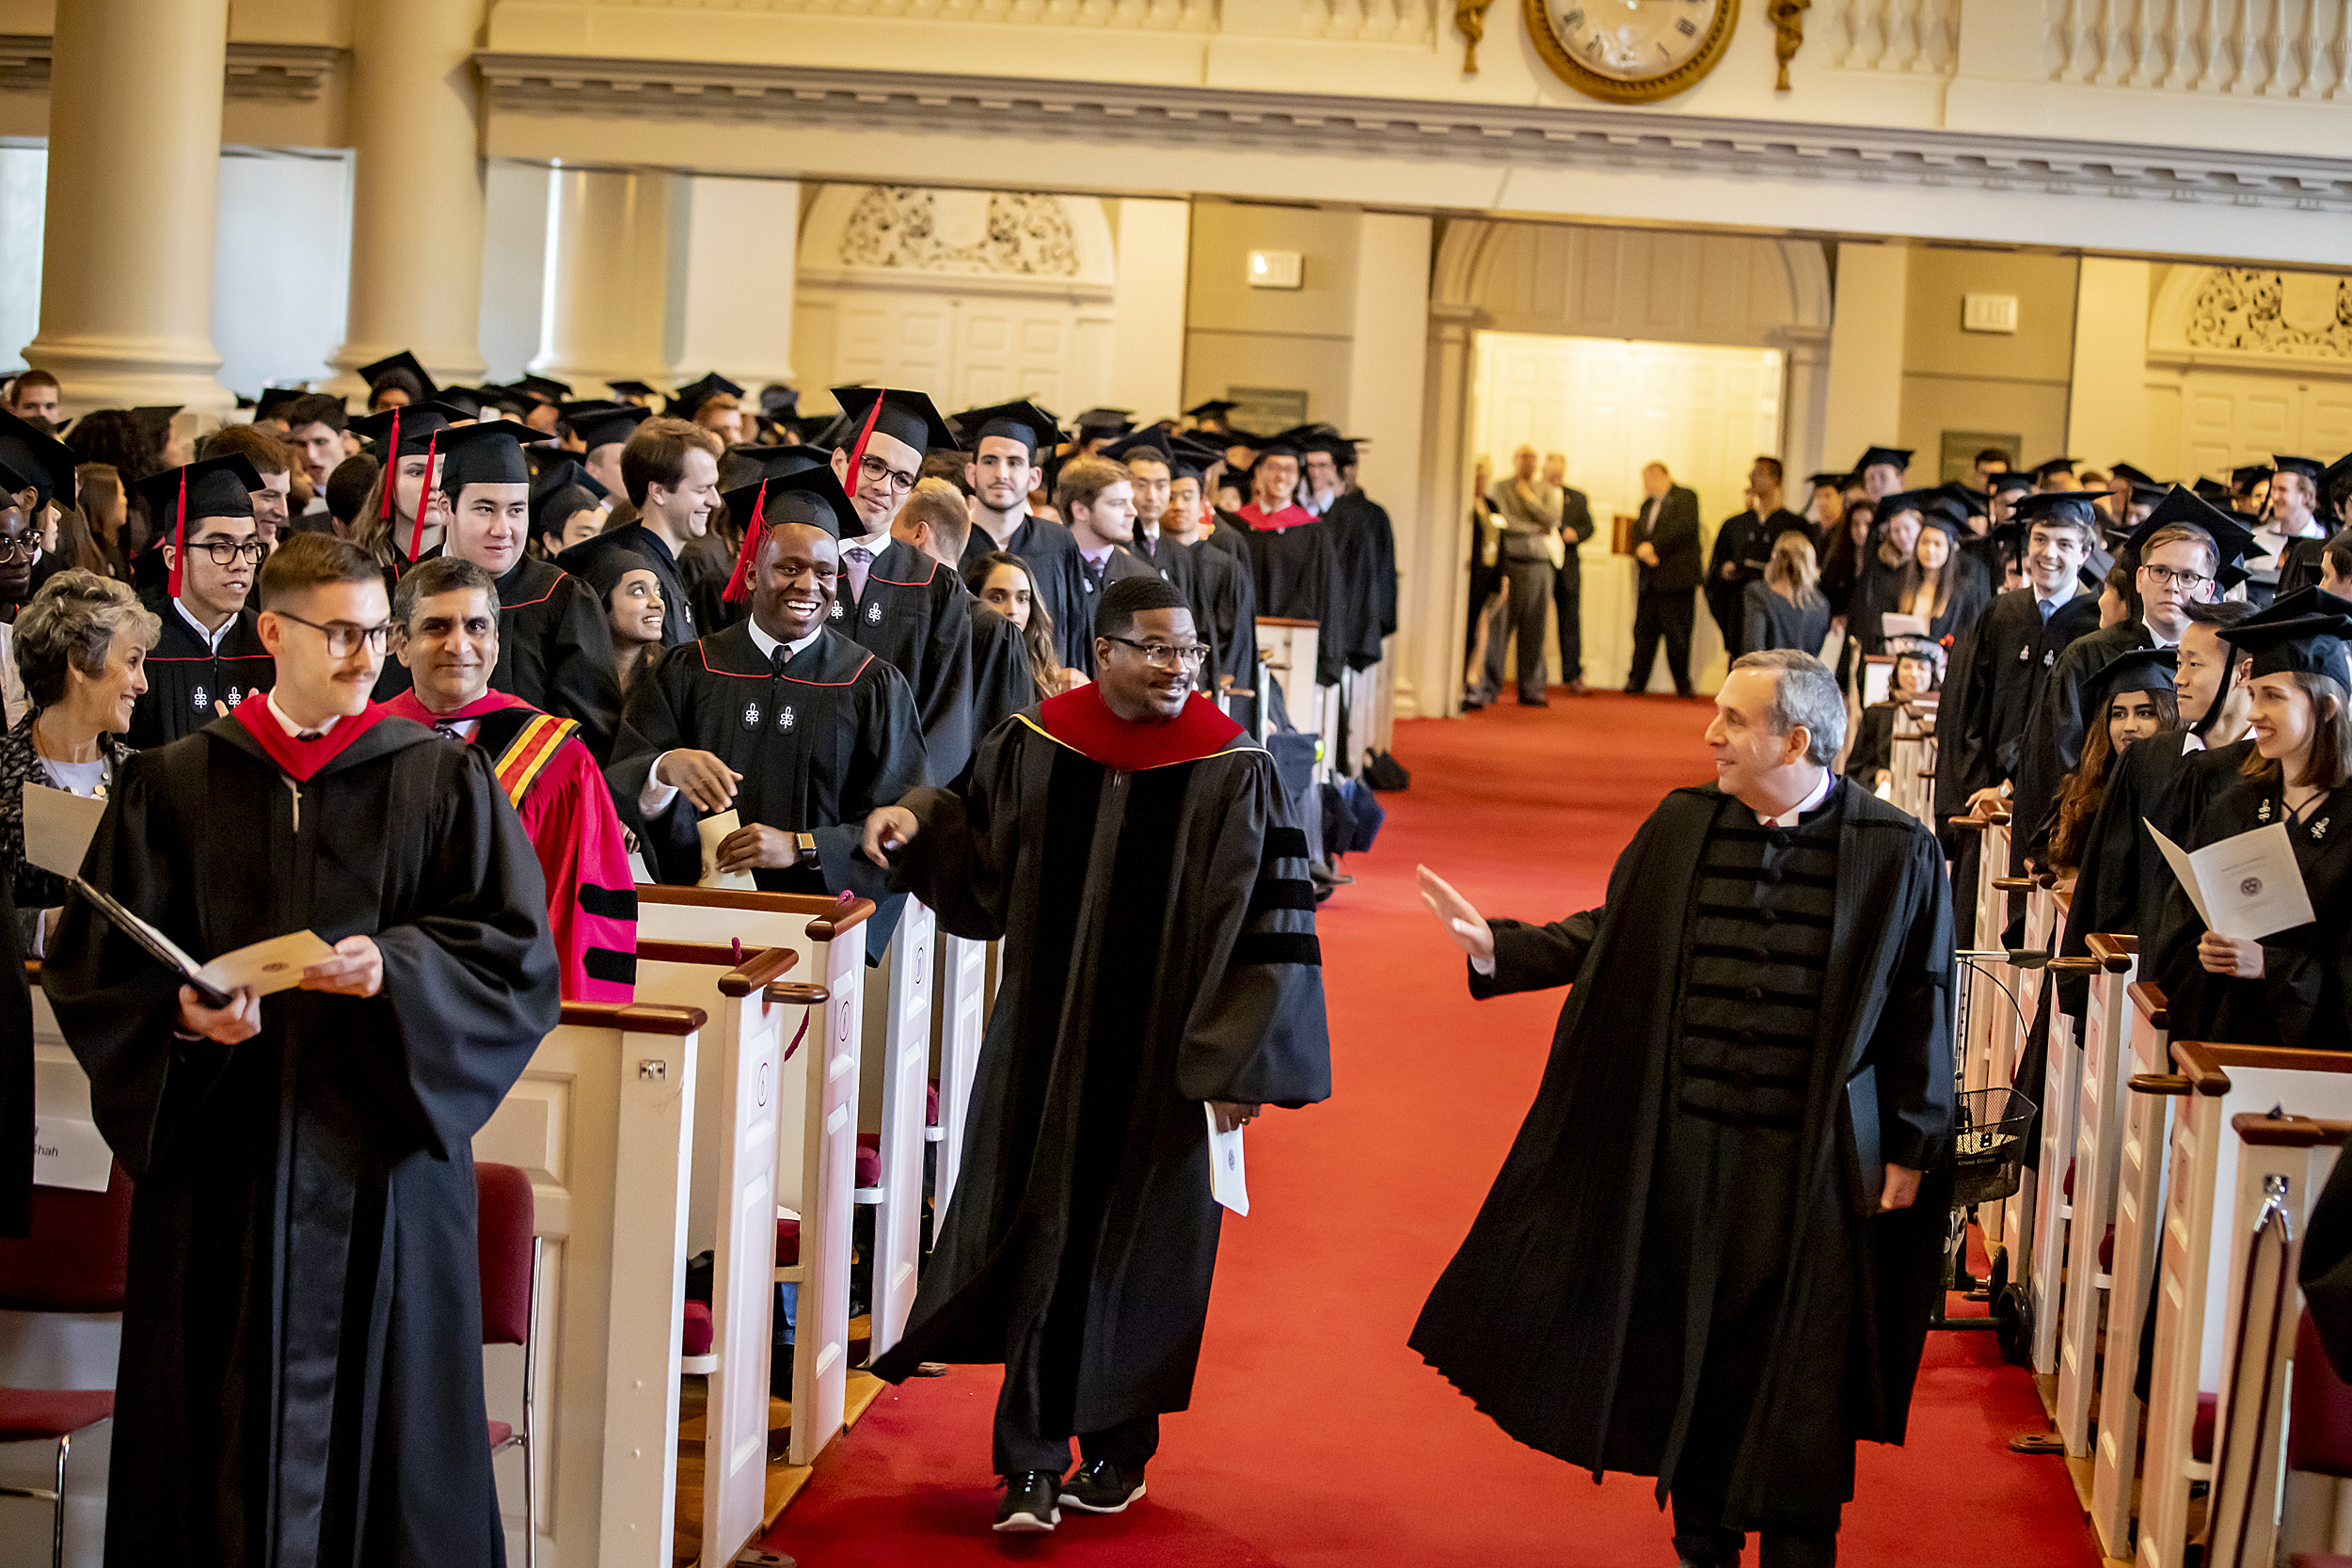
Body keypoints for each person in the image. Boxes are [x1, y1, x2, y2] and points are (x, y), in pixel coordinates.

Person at [42, 531, 559, 1567]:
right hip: (220, 1172)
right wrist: (184, 1023)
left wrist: (398, 970)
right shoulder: (176, 783)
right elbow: (101, 970)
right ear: (272, 631)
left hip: (383, 1172)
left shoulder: (441, 780)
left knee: (398, 1449)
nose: (368, 657)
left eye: (378, 632)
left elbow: (514, 956)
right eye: (342, 633)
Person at [1412, 648, 1951, 1568]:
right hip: (1687, 1152)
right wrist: (1501, 948)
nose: (1710, 735)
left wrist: (1911, 1143)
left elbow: (1919, 998)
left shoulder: (1894, 849)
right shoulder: (1682, 824)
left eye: (1732, 721)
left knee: (1796, 1382)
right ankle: (1700, 1543)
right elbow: (1613, 929)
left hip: (1813, 1172)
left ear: (1796, 738)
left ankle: (1794, 1548)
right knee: (1689, 1364)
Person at [863, 573, 1330, 1532]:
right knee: (1038, 1238)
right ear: (1106, 649)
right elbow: (975, 847)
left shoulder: (1231, 765)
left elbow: (1268, 927)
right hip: (1041, 1046)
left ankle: (1119, 1450)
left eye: (1189, 651)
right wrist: (915, 819)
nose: (1177, 668)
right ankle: (1027, 1462)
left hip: (1170, 1059)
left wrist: (1238, 1064)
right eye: (1155, 648)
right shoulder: (1037, 743)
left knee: (1142, 1255)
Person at [609, 462, 926, 927]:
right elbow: (617, 785)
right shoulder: (691, 668)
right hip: (696, 918)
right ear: (753, 574)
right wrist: (662, 770)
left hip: (820, 927)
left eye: (824, 572)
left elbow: (896, 820)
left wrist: (802, 847)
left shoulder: (870, 683)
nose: (808, 586)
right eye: (789, 568)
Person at [385, 555, 637, 1003]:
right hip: (380, 1001)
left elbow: (583, 912)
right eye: (437, 627)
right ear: (400, 644)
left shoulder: (560, 763)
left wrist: (571, 1021)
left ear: (497, 643)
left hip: (505, 1006)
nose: (459, 645)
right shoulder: (361, 745)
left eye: (476, 627)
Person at [2012, 495, 2256, 875]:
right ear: (2139, 579)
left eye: (2189, 576)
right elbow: (2053, 765)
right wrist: (2064, 855)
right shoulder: (2087, 657)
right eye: (2160, 572)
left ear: (2209, 590)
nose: (2173, 586)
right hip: (2092, 858)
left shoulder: (2225, 667)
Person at [2152, 595, 2352, 1054]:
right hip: (2221, 1042)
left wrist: (2273, 967)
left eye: (2274, 697)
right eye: (2254, 694)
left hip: (2318, 1068)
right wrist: (2204, 949)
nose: (2254, 713)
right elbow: (2178, 927)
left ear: (2326, 709)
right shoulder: (2235, 802)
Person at [375, 421, 625, 762]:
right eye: (485, 509)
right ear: (446, 506)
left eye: (516, 510)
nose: (502, 529)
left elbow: (591, 734)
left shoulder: (561, 598)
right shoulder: (391, 591)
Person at [2055, 603, 2259, 1010]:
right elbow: (2109, 881)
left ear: (2244, 672)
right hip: (2138, 984)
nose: (2178, 679)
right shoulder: (2149, 760)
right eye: (2178, 662)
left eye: (2193, 665)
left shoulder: (2269, 772)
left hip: (2232, 999)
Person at [818, 388, 980, 781]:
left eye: (903, 478)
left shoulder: (934, 585)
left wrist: (903, 804)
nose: (884, 487)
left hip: (892, 806)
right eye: (873, 465)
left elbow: (948, 714)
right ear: (840, 462)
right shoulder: (796, 567)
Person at [2, 571, 155, 953]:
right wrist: (43, 925)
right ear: (80, 664)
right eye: (132, 662)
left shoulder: (141, 779)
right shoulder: (4, 774)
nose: (143, 684)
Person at [125, 455, 276, 747]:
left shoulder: (273, 644)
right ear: (173, 557)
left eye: (250, 546)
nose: (241, 563)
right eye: (221, 546)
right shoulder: (137, 644)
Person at [558, 415, 722, 647]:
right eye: (702, 489)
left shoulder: (661, 564)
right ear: (658, 492)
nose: (715, 501)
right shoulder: (633, 574)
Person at [2043, 648, 2179, 878]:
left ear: (2169, 717)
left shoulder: (2180, 791)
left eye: (2145, 713)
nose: (2129, 726)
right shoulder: (2091, 789)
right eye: (2118, 714)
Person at [1478, 446, 1564, 707]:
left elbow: (1552, 521)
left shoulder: (1545, 490)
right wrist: (1533, 529)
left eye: (1532, 458)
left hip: (1540, 566)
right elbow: (1502, 522)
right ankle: (1489, 686)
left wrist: (1529, 499)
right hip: (1510, 563)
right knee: (1499, 629)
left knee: (1535, 629)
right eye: (1523, 457)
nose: (1528, 462)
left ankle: (1532, 688)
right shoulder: (1500, 488)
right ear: (1514, 460)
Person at [1707, 457, 1808, 660]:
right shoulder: (1734, 525)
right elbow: (1715, 569)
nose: (1752, 477)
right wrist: (1725, 571)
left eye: (1760, 472)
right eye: (1752, 472)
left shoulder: (1795, 525)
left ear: (1776, 480)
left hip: (1776, 609)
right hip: (1739, 608)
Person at [1624, 460, 1701, 698]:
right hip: (1650, 582)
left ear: (1661, 476)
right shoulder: (1646, 505)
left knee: (1678, 636)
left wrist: (1653, 547)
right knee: (1643, 635)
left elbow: (1684, 528)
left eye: (1648, 480)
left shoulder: (1686, 497)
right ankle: (1636, 682)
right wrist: (1641, 550)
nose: (1646, 485)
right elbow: (1639, 533)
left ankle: (1682, 685)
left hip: (1676, 582)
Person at [967, 548, 1065, 707]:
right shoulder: (960, 667)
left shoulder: (1047, 678)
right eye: (997, 598)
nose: (1012, 609)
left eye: (1022, 599)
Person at [1844, 635, 1943, 792]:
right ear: (1896, 671)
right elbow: (1854, 769)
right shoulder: (1877, 713)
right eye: (1907, 667)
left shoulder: (1942, 717)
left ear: (1932, 674)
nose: (1914, 674)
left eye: (1922, 668)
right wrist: (1876, 775)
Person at [1537, 451, 1597, 694]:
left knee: (1570, 621)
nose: (1555, 477)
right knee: (1536, 620)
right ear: (1544, 472)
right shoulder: (1534, 493)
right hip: (1541, 564)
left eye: (1559, 473)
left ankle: (1573, 676)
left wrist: (1577, 534)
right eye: (1551, 472)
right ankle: (1534, 675)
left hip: (1568, 567)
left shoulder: (1578, 497)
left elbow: (1589, 526)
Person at [583, 544, 666, 697]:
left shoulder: (670, 677)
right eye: (639, 591)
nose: (657, 603)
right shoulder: (574, 683)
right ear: (600, 602)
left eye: (657, 591)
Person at [1742, 531, 1831, 657]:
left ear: (1776, 558)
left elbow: (1754, 649)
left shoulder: (1759, 594)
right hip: (1805, 675)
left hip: (1768, 674)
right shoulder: (1821, 604)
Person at [280, 392, 348, 496]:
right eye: (301, 444)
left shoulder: (370, 490)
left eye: (320, 442)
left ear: (344, 438)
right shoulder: (283, 495)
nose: (311, 455)